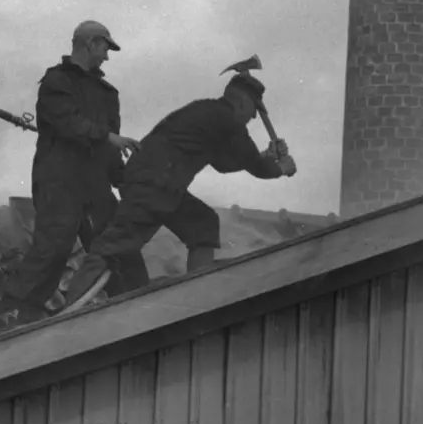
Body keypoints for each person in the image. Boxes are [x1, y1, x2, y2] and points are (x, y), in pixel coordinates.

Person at [60, 71, 296, 307]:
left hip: (158, 184)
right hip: (154, 186)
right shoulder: (228, 120)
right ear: (242, 101)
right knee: (110, 247)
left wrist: (268, 156)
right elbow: (255, 166)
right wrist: (282, 167)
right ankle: (71, 308)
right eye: (253, 110)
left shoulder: (207, 112)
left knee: (204, 224)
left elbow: (225, 163)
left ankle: (195, 298)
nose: (252, 116)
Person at [5, 20, 143, 317]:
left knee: (120, 247)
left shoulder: (108, 94)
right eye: (105, 47)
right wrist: (108, 137)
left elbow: (111, 150)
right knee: (52, 251)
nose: (107, 56)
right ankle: (16, 320)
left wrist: (127, 180)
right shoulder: (57, 83)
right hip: (59, 183)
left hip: (95, 186)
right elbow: (68, 123)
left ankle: (138, 311)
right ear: (90, 43)